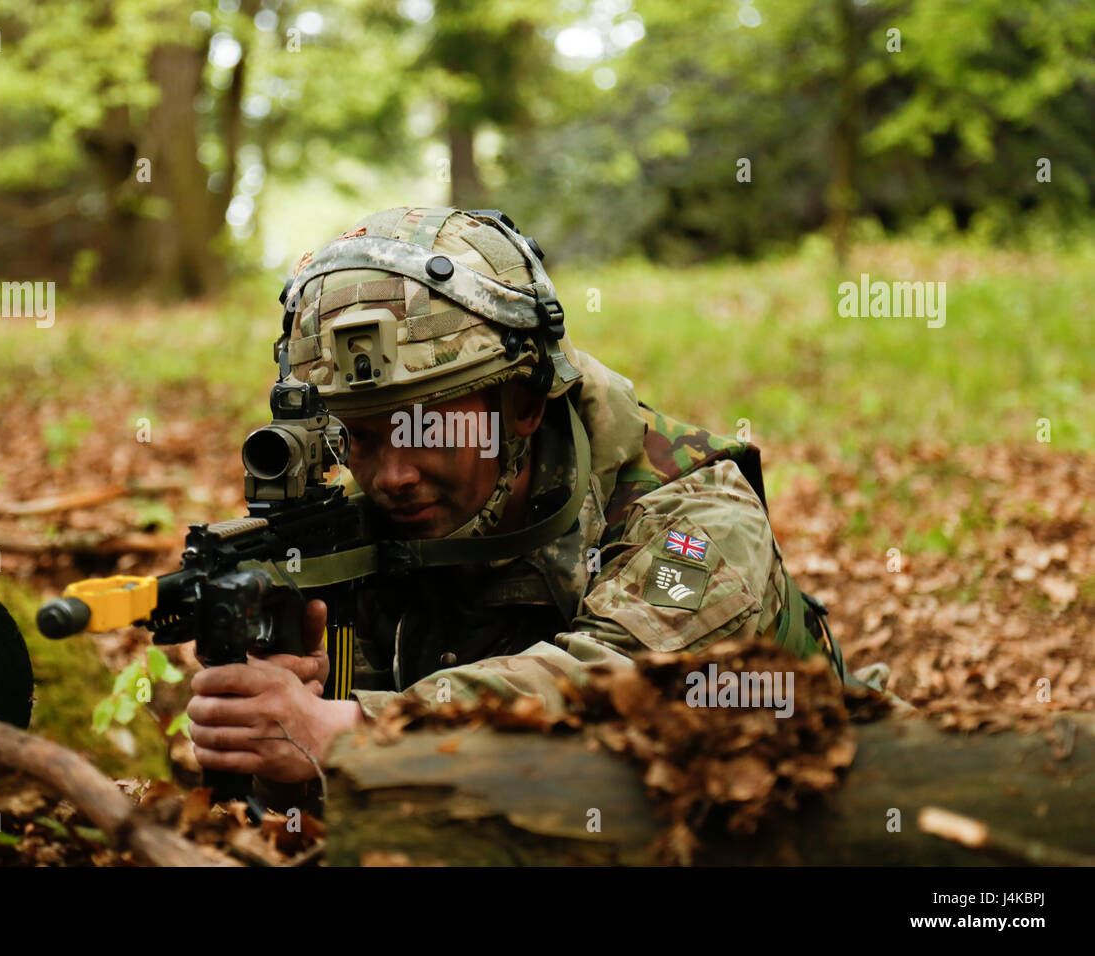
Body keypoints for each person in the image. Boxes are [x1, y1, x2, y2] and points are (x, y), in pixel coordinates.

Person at [188, 206, 848, 785]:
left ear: (523, 405)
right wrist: (275, 733)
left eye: (428, 429)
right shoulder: (370, 533)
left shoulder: (691, 511)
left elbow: (615, 685)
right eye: (360, 438)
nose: (391, 476)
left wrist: (356, 730)